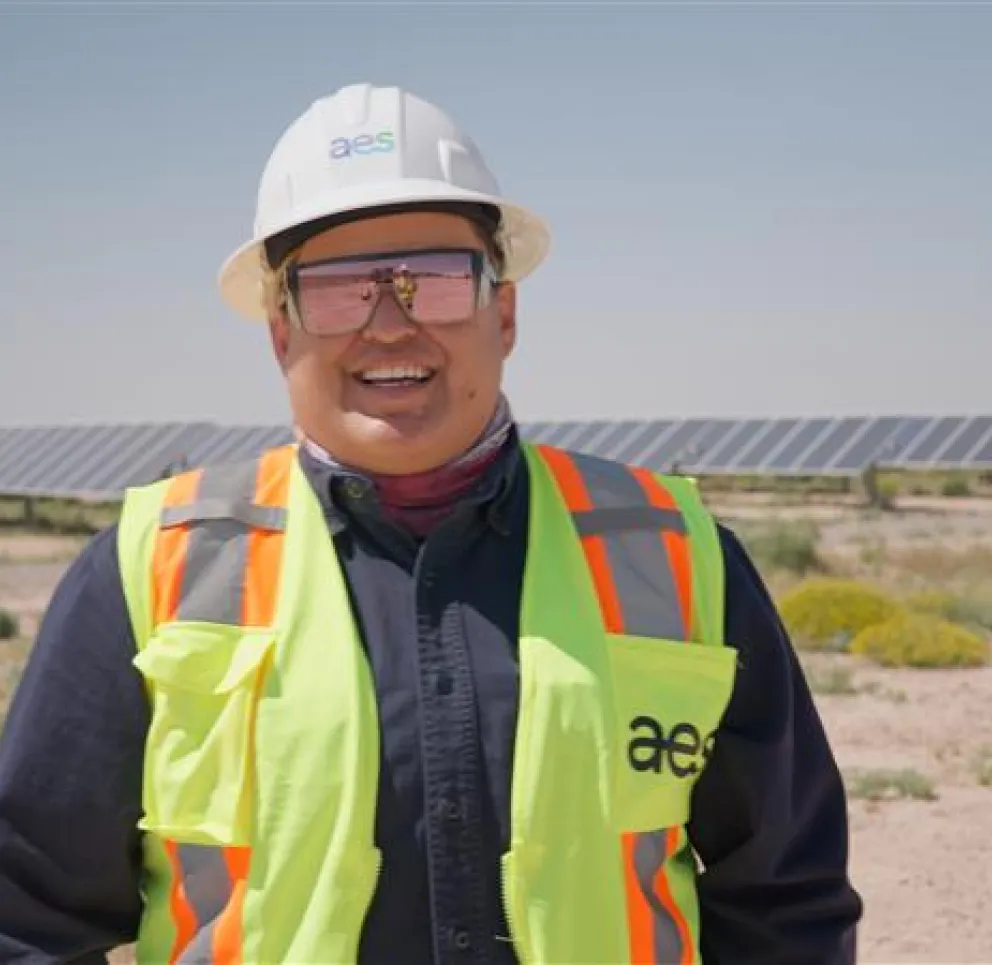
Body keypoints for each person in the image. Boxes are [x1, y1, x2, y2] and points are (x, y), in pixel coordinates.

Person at [0, 82, 862, 964]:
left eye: (436, 282)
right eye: (337, 291)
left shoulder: (676, 559)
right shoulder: (152, 570)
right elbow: (24, 914)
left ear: (507, 312)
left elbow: (783, 902)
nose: (389, 325)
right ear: (279, 333)